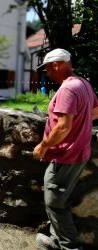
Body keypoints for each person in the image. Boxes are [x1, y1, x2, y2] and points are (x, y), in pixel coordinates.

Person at [33, 48, 98, 250]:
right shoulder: (84, 84)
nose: (47, 74)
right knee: (60, 198)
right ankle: (56, 240)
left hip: (65, 155)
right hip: (79, 152)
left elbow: (63, 127)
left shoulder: (68, 89)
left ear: (56, 65)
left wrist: (43, 145)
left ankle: (70, 246)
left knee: (54, 202)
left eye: (47, 70)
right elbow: (94, 112)